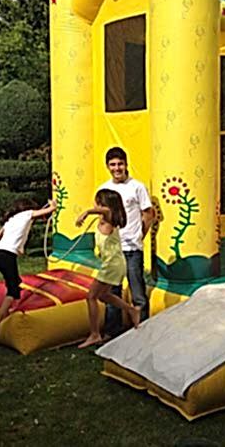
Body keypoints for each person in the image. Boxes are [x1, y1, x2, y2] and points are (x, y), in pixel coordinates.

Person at [99, 147, 154, 338]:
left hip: (132, 248)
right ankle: (112, 331)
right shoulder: (104, 189)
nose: (117, 168)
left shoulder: (137, 187)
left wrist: (140, 235)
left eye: (120, 164)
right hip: (113, 249)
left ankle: (142, 330)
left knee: (137, 290)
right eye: (113, 164)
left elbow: (148, 214)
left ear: (126, 164)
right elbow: (102, 218)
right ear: (107, 166)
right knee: (112, 291)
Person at [75, 189, 141, 348]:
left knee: (91, 297)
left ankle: (95, 334)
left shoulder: (109, 219)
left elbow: (107, 210)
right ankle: (131, 310)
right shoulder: (104, 220)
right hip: (113, 264)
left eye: (96, 202)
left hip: (113, 265)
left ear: (102, 204)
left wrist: (87, 212)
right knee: (103, 296)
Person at [0, 198, 57, 335]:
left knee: (15, 281)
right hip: (7, 255)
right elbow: (49, 210)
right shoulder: (26, 214)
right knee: (13, 289)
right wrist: (53, 204)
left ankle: (10, 307)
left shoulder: (11, 219)